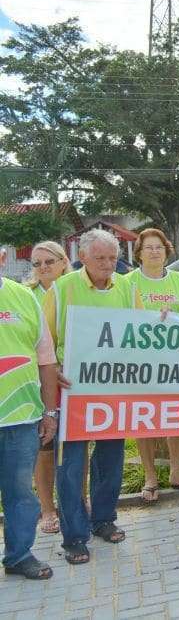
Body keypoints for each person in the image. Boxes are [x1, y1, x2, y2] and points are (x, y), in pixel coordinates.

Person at [43, 229, 140, 564]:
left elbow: (141, 332)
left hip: (112, 389)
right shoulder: (61, 289)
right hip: (72, 391)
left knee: (110, 458)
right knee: (70, 466)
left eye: (112, 258)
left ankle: (104, 519)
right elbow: (44, 340)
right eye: (100, 258)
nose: (107, 264)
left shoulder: (127, 287)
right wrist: (53, 369)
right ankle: (74, 537)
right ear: (82, 257)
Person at [0, 246, 60, 580]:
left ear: (3, 258)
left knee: (20, 493)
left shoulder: (24, 298)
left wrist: (49, 412)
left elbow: (46, 359)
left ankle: (19, 555)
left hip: (22, 417)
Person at [127, 229, 179, 504]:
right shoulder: (127, 282)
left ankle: (176, 472)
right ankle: (150, 476)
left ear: (167, 250)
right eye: (149, 247)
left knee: (174, 416)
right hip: (141, 362)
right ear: (139, 253)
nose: (154, 251)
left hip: (174, 361)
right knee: (144, 419)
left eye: (159, 246)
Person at [23, 241, 70, 535]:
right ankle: (47, 507)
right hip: (40, 380)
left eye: (48, 261)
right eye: (37, 263)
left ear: (64, 261)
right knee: (45, 444)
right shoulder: (27, 295)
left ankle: (78, 499)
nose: (43, 268)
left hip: (73, 378)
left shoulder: (74, 289)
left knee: (76, 443)